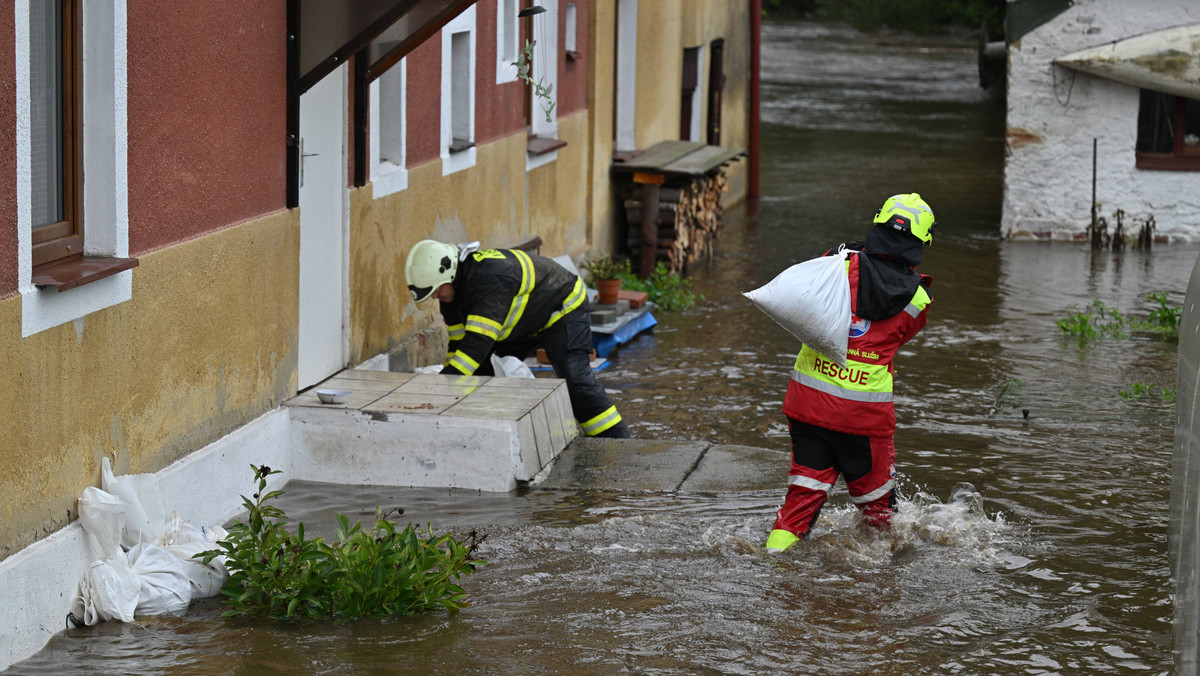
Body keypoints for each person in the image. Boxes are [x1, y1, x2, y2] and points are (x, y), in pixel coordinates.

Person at [765, 193, 936, 553]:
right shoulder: (918, 300)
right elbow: (898, 336)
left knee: (800, 501)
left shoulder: (833, 264)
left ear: (877, 224)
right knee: (880, 515)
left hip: (808, 405)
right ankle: (875, 592)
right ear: (923, 241)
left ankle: (771, 564)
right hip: (864, 419)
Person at [405, 239, 631, 439]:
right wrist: (449, 388)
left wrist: (441, 387)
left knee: (574, 376)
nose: (436, 297)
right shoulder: (451, 295)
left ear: (449, 273)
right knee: (480, 370)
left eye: (435, 291)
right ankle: (485, 427)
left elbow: (476, 344)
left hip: (561, 307)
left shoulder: (489, 278)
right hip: (526, 320)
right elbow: (458, 345)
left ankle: (614, 440)